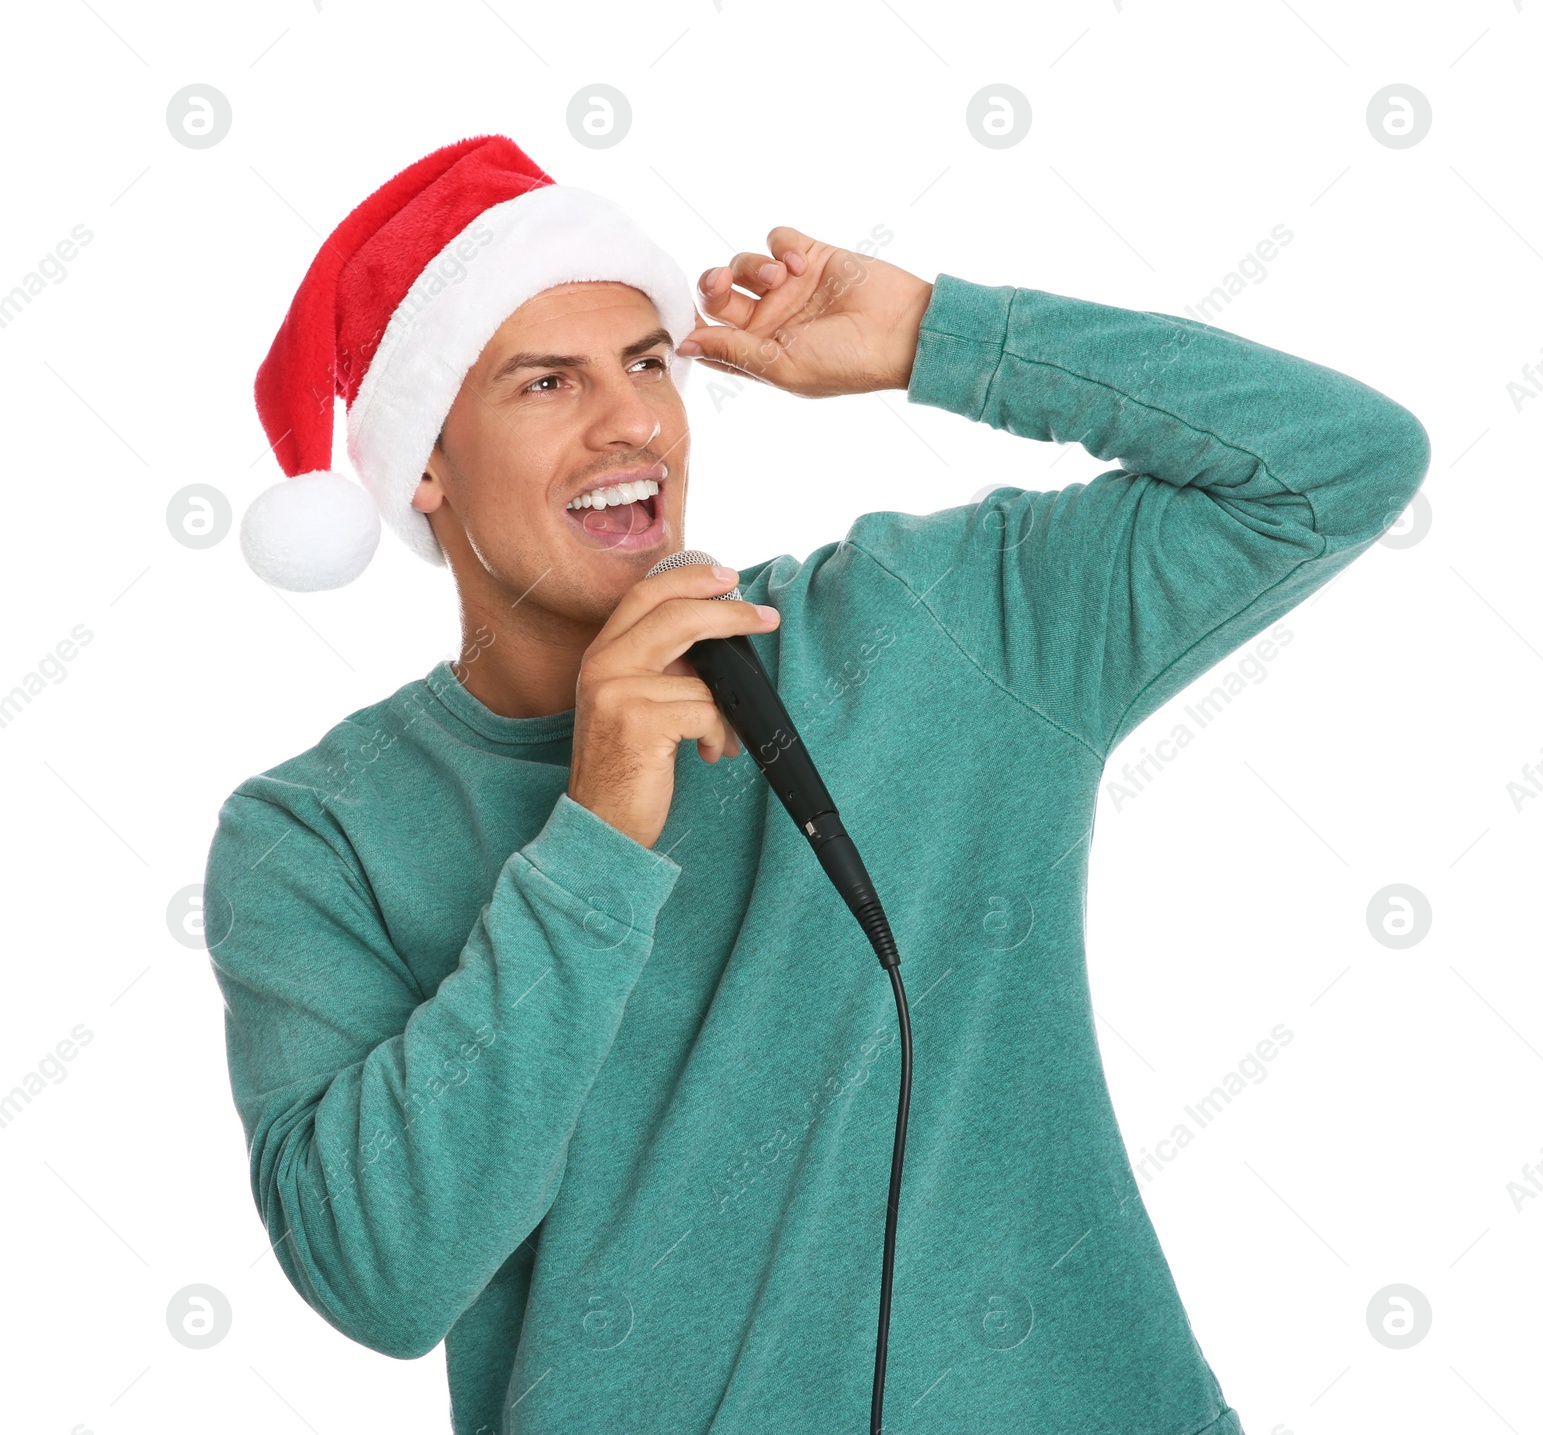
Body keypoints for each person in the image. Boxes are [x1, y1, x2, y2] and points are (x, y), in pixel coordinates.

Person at [204, 133, 1429, 1435]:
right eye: (547, 381)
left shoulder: (925, 631)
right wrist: (599, 831)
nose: (631, 419)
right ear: (424, 467)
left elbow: (1339, 467)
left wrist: (945, 339)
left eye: (647, 363)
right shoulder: (315, 837)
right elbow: (379, 1281)